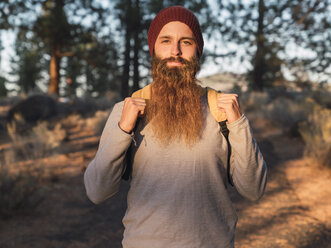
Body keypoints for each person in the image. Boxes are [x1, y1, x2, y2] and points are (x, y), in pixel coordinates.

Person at [84, 6, 267, 248]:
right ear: (153, 50)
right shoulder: (127, 110)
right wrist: (123, 129)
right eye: (166, 41)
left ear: (197, 51)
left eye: (187, 42)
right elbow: (97, 191)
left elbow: (254, 190)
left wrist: (238, 124)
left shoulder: (221, 111)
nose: (175, 51)